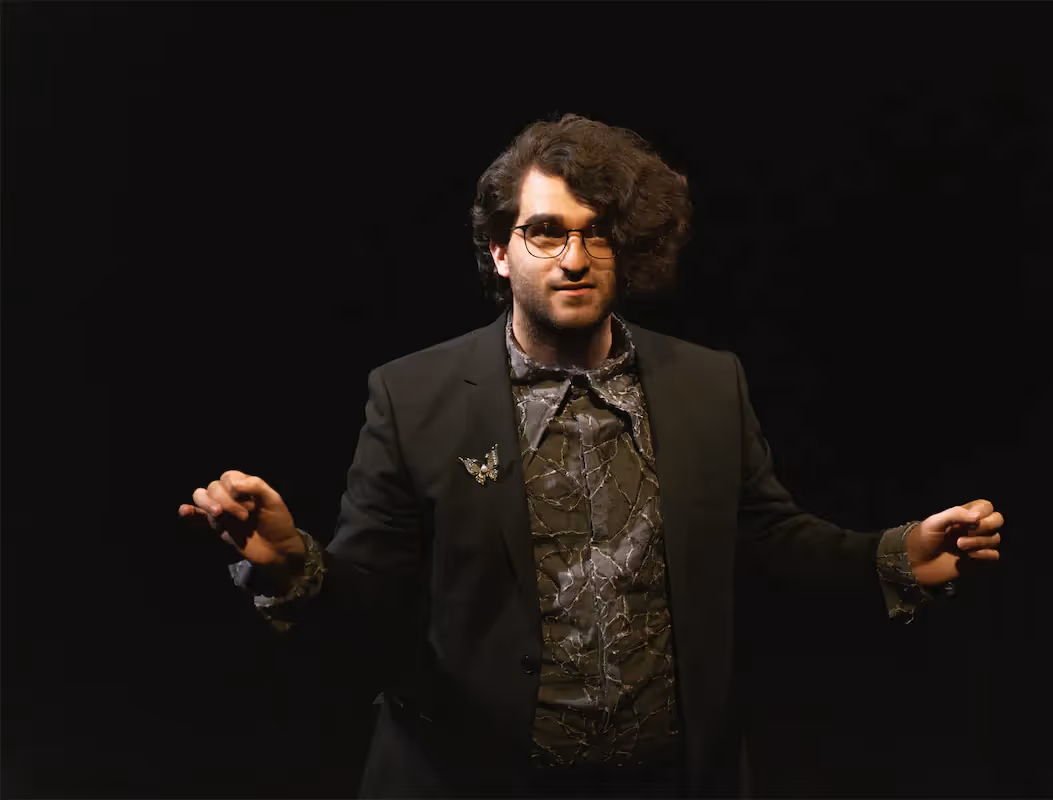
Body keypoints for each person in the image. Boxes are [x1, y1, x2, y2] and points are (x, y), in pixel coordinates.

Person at [178, 114, 1004, 798]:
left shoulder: (707, 384)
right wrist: (292, 564)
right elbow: (372, 601)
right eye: (545, 233)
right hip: (471, 779)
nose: (574, 259)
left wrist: (892, 555)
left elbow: (769, 538)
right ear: (499, 252)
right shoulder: (413, 396)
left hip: (671, 780)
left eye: (597, 234)